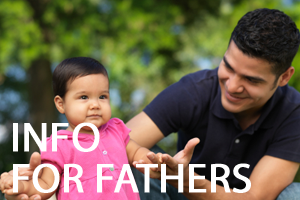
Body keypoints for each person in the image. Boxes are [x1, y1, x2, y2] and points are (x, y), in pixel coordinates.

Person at [2, 8, 300, 200]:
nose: (233, 85)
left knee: (293, 195)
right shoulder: (194, 91)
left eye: (251, 80)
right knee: (140, 166)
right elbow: (111, 149)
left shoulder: (294, 113)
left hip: (221, 193)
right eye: (228, 67)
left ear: (284, 77)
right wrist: (42, 182)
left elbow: (256, 197)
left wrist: (184, 179)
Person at [0, 57, 165, 199]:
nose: (95, 104)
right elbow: (45, 184)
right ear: (60, 104)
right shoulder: (59, 144)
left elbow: (136, 153)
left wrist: (156, 161)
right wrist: (23, 187)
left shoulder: (115, 129)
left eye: (102, 96)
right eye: (84, 97)